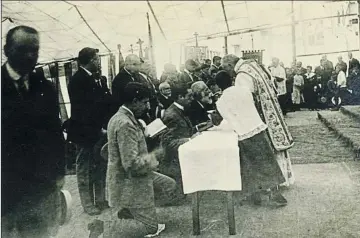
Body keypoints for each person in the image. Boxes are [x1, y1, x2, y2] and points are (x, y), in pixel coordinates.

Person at [2, 25, 65, 237]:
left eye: (35, 50)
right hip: (5, 192)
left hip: (40, 189)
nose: (30, 56)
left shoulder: (45, 88)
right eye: (22, 49)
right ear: (6, 50)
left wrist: (59, 173)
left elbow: (55, 133)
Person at [215, 57, 294, 207]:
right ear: (231, 80)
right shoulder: (243, 91)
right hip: (258, 128)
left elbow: (228, 120)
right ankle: (275, 194)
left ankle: (255, 196)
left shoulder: (221, 101)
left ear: (218, 86)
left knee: (250, 165)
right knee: (267, 162)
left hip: (243, 134)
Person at [106, 82, 179, 237]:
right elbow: (131, 164)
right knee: (151, 229)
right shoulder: (126, 124)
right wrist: (155, 155)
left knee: (169, 184)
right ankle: (132, 212)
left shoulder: (119, 117)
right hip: (131, 180)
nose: (147, 107)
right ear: (134, 101)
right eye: (145, 102)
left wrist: (145, 137)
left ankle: (131, 211)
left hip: (127, 177)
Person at [67, 47, 110, 215]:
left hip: (97, 132)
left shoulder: (94, 79)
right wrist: (97, 128)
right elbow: (82, 111)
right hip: (84, 133)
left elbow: (101, 104)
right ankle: (87, 204)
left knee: (99, 165)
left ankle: (100, 199)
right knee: (84, 169)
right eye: (97, 59)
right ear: (90, 60)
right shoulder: (78, 80)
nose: (99, 62)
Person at [160, 83, 196, 194]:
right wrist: (190, 140)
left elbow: (185, 130)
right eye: (189, 96)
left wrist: (199, 127)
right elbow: (168, 144)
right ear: (180, 97)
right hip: (174, 161)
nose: (192, 99)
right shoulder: (171, 115)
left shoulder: (179, 110)